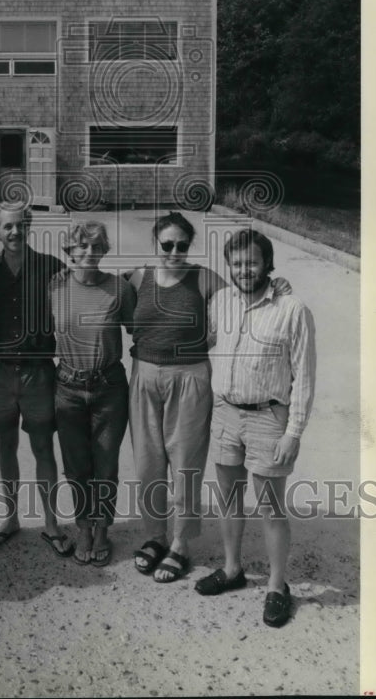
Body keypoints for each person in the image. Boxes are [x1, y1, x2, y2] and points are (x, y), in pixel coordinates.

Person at [195, 228, 316, 629]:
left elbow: (305, 377)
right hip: (227, 413)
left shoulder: (292, 309)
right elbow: (202, 337)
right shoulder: (221, 302)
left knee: (271, 508)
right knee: (229, 500)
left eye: (253, 262)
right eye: (237, 262)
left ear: (267, 264)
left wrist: (292, 433)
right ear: (228, 266)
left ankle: (278, 587)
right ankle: (232, 570)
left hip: (268, 418)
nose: (245, 269)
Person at [125, 211, 226, 583]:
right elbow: (99, 288)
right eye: (167, 244)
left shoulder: (204, 278)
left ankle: (181, 543)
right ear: (156, 243)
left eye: (182, 245)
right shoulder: (138, 277)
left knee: (185, 463)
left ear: (190, 246)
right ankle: (154, 536)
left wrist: (275, 287)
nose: (174, 251)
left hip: (190, 378)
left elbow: (243, 299)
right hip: (145, 376)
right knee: (147, 462)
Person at [0, 203, 73, 557]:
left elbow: (74, 308)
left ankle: (51, 523)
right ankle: (11, 517)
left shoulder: (52, 267)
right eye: (7, 227)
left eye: (20, 225)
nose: (14, 232)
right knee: (6, 446)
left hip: (38, 371)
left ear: (29, 225)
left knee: (43, 447)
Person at [50, 221, 134, 566]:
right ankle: (83, 526)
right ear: (69, 252)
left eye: (96, 246)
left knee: (106, 465)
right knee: (76, 466)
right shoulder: (54, 287)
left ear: (104, 251)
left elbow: (140, 330)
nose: (89, 252)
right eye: (81, 246)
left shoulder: (119, 289)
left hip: (109, 388)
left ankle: (102, 529)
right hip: (67, 388)